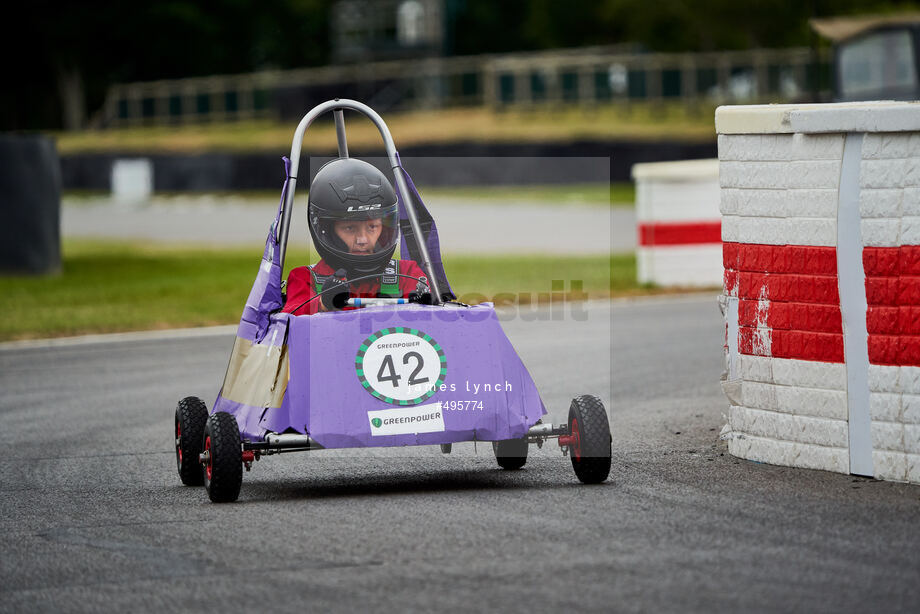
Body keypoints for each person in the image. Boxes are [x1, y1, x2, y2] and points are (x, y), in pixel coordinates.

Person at [282, 157, 430, 315]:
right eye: (350, 228)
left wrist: (423, 304)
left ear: (385, 228)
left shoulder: (407, 274)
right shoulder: (304, 278)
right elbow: (290, 321)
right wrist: (325, 303)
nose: (362, 240)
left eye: (372, 227)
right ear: (327, 230)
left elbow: (428, 325)